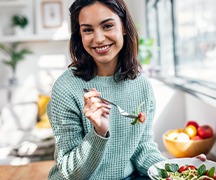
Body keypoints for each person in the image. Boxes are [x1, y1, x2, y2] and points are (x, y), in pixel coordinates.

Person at [47, 0, 206, 179]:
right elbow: (71, 173)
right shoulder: (66, 88)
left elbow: (142, 148)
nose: (98, 38)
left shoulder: (141, 84)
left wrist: (177, 171)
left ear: (124, 27)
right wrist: (99, 132)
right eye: (88, 30)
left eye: (107, 26)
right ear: (80, 35)